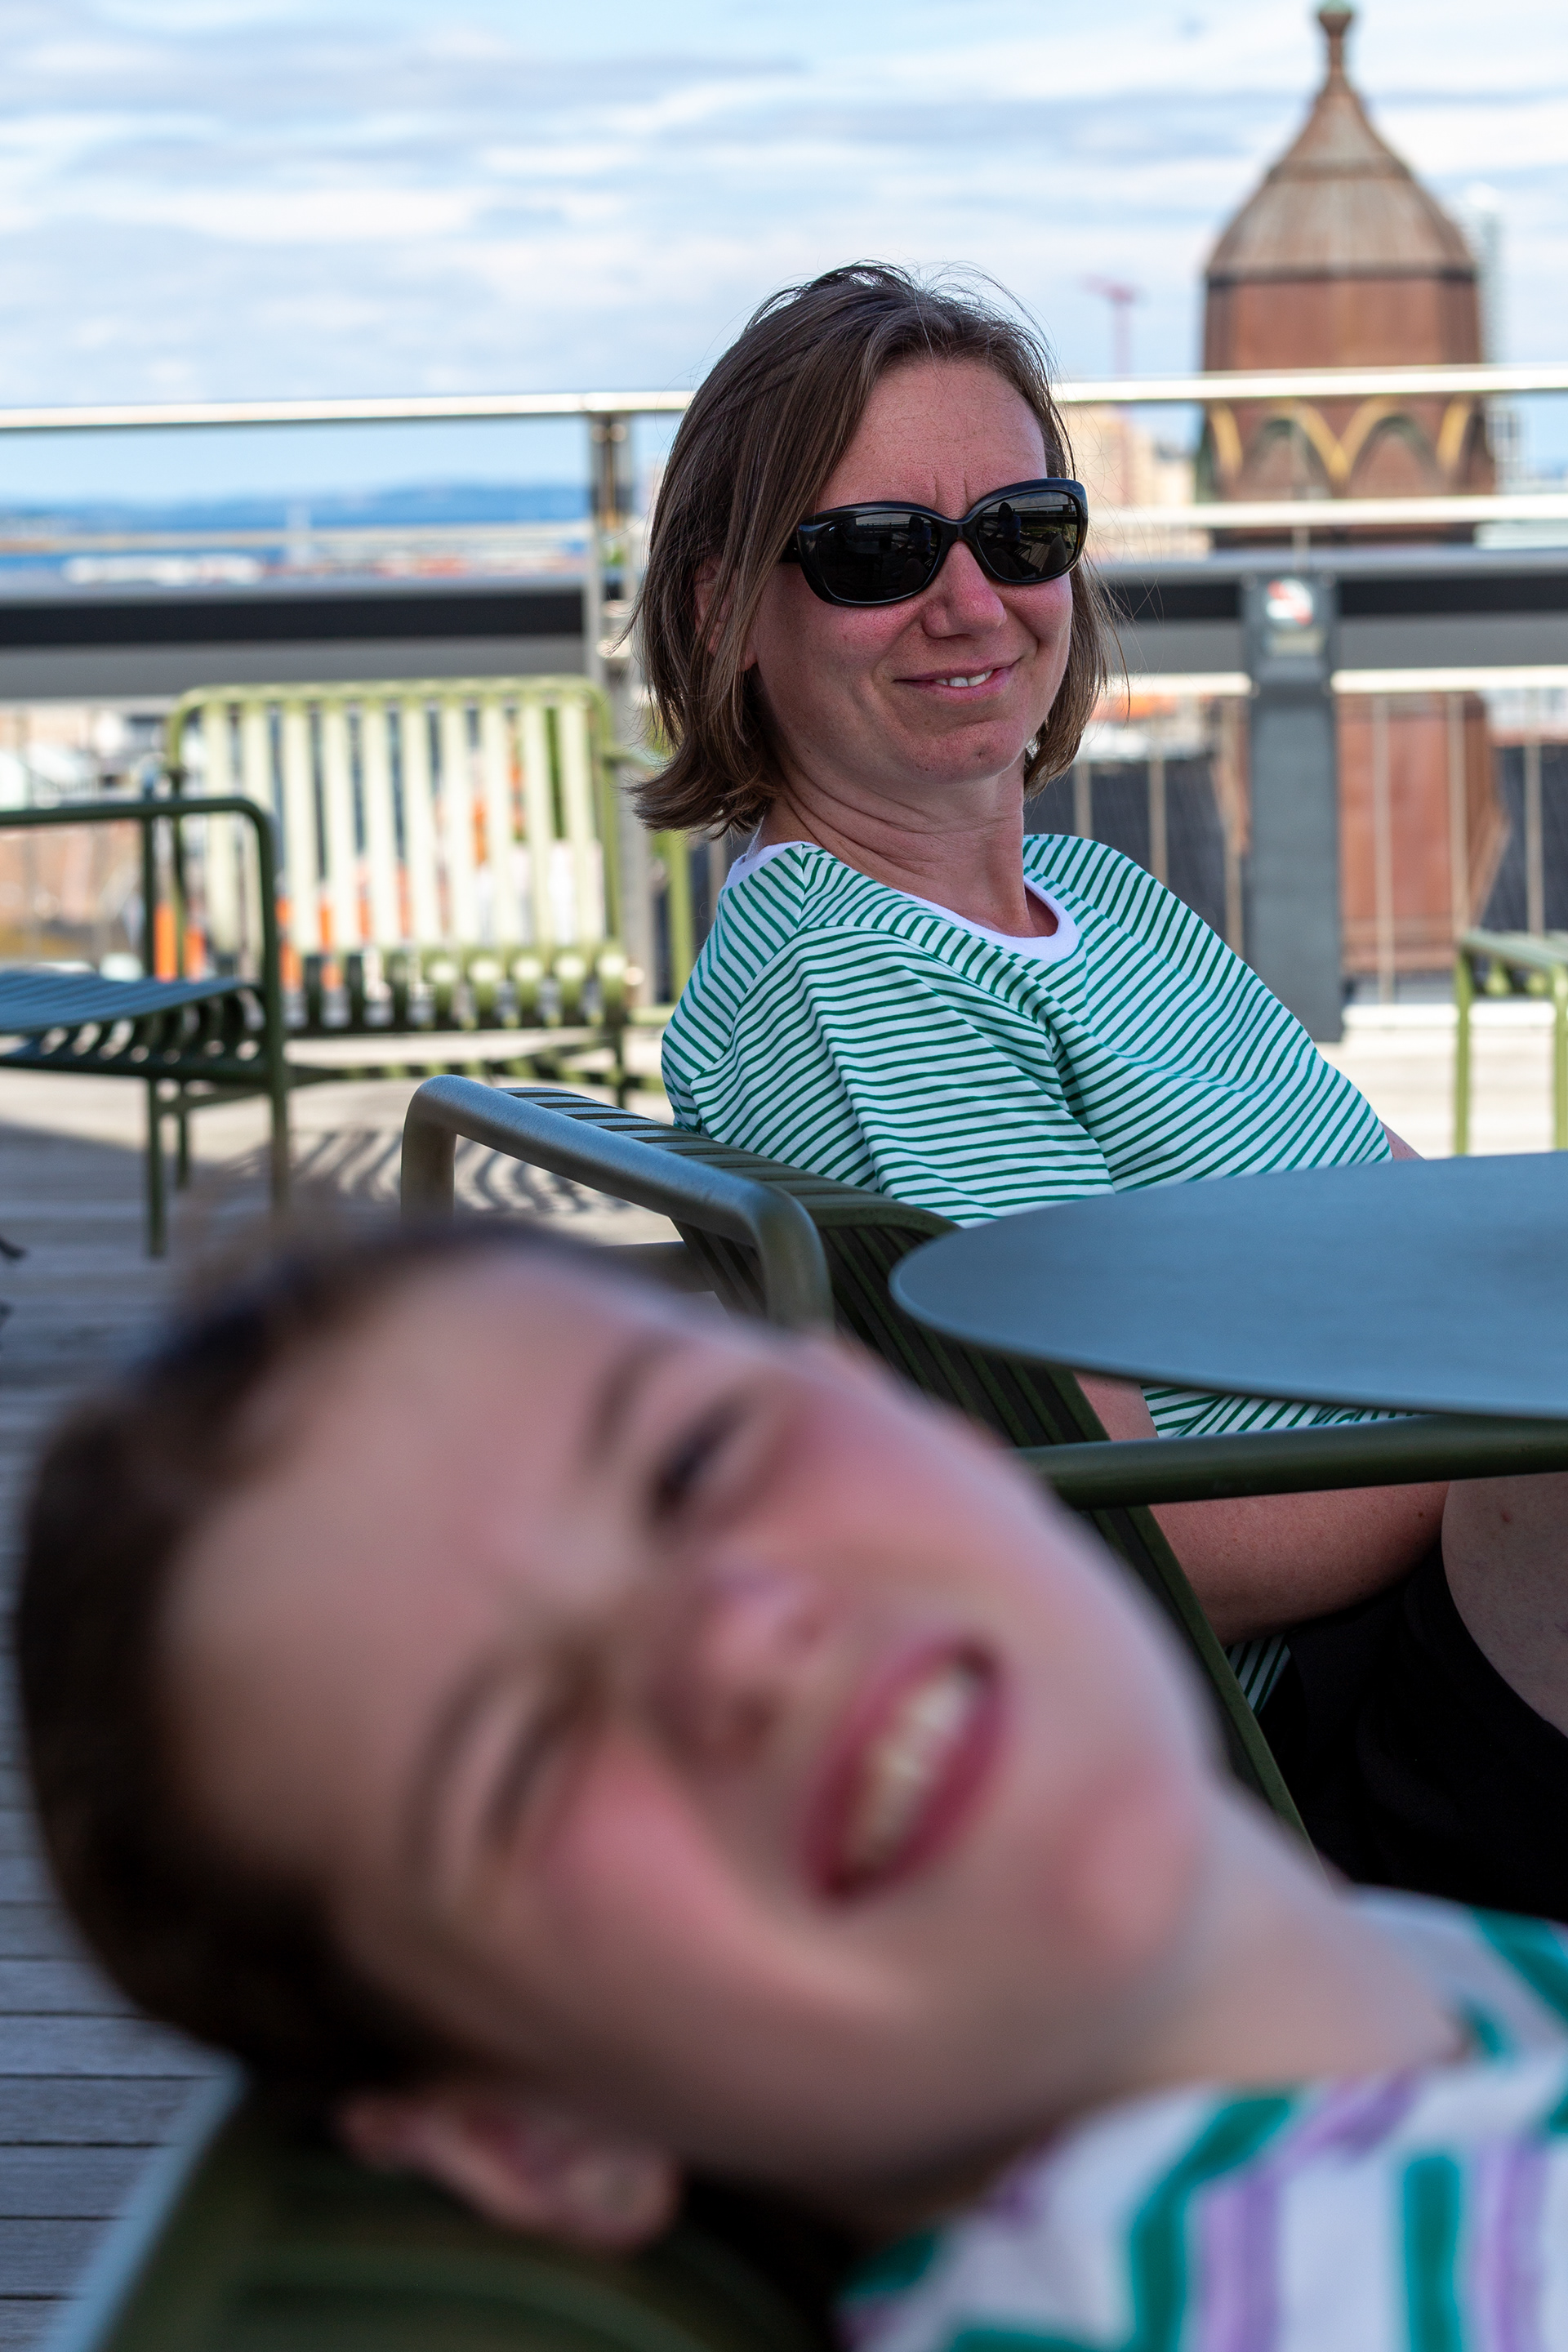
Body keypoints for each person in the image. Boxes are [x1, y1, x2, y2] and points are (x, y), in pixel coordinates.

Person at [17, 1224, 1568, 2352]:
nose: (738, 1639)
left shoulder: (1443, 2030)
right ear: (532, 2134)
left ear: (922, 1417)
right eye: (527, 1759)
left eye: (692, 1465)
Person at [636, 260, 1446, 1670]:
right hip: (1351, 1677)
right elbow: (1135, 1541)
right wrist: (1520, 1450)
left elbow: (1414, 1223)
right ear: (726, 614)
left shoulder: (1102, 898)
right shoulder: (854, 985)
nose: (970, 602)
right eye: (878, 552)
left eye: (1023, 532)